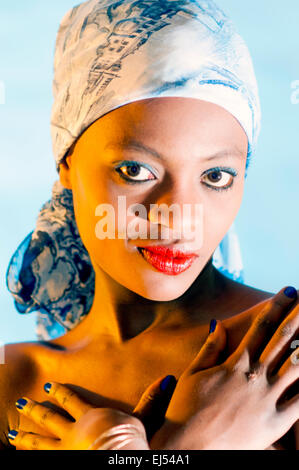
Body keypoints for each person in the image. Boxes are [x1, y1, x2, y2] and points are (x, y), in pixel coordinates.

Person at [2, 0, 298, 450]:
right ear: (66, 161)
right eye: (137, 171)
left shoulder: (284, 357)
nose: (178, 218)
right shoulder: (18, 382)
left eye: (215, 177)